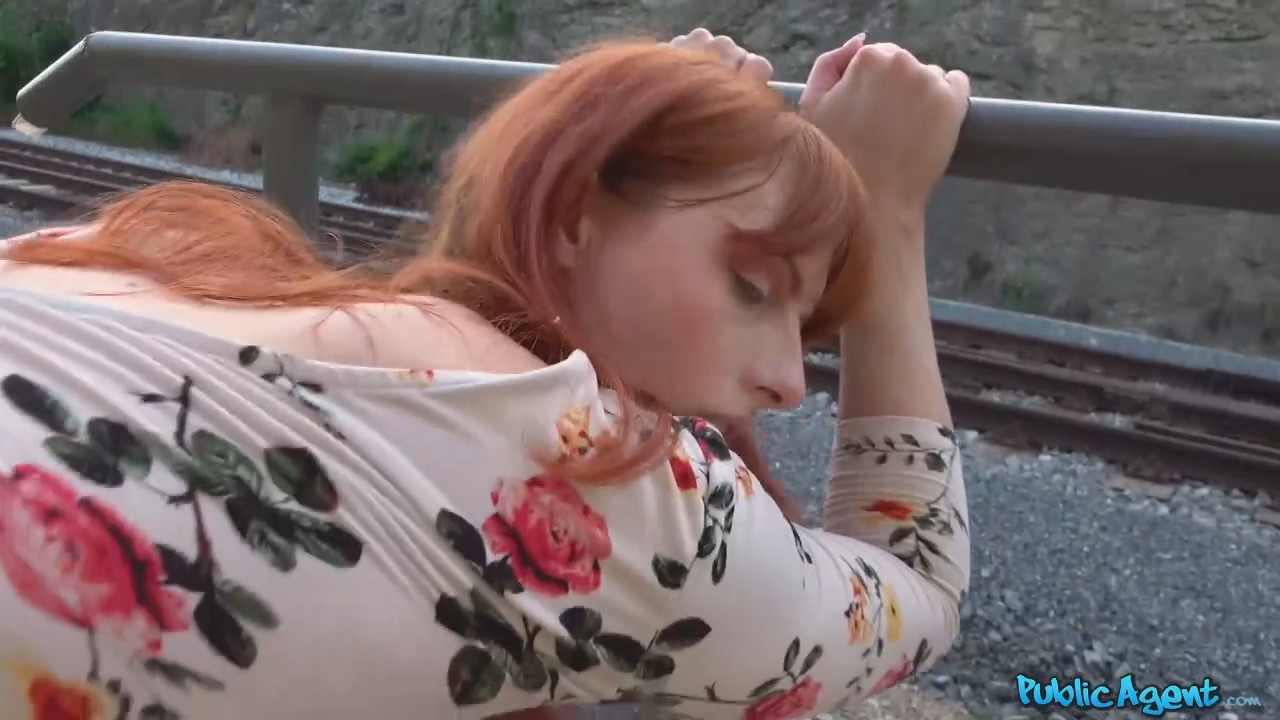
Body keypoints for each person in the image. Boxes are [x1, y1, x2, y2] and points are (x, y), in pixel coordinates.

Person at [0, 26, 970, 720]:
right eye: (753, 287)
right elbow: (920, 587)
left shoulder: (139, 252)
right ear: (572, 212)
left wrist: (638, 129)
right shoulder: (604, 486)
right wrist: (886, 215)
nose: (790, 383)